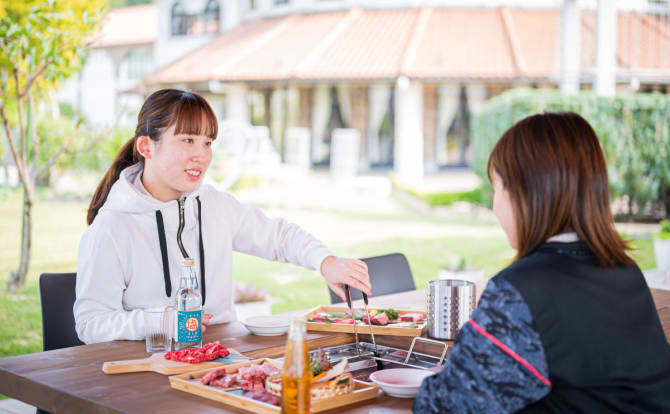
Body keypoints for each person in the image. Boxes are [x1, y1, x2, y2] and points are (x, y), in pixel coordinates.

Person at [413, 112, 670, 413]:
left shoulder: (519, 292)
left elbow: (443, 406)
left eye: (495, 188)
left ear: (523, 192)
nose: (495, 207)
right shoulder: (624, 270)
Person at [74, 89, 370, 344]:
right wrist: (163, 322)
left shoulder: (215, 205)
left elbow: (278, 237)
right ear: (146, 146)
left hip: (224, 363)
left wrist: (325, 261)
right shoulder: (112, 227)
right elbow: (91, 323)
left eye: (207, 143)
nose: (201, 155)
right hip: (148, 370)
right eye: (188, 140)